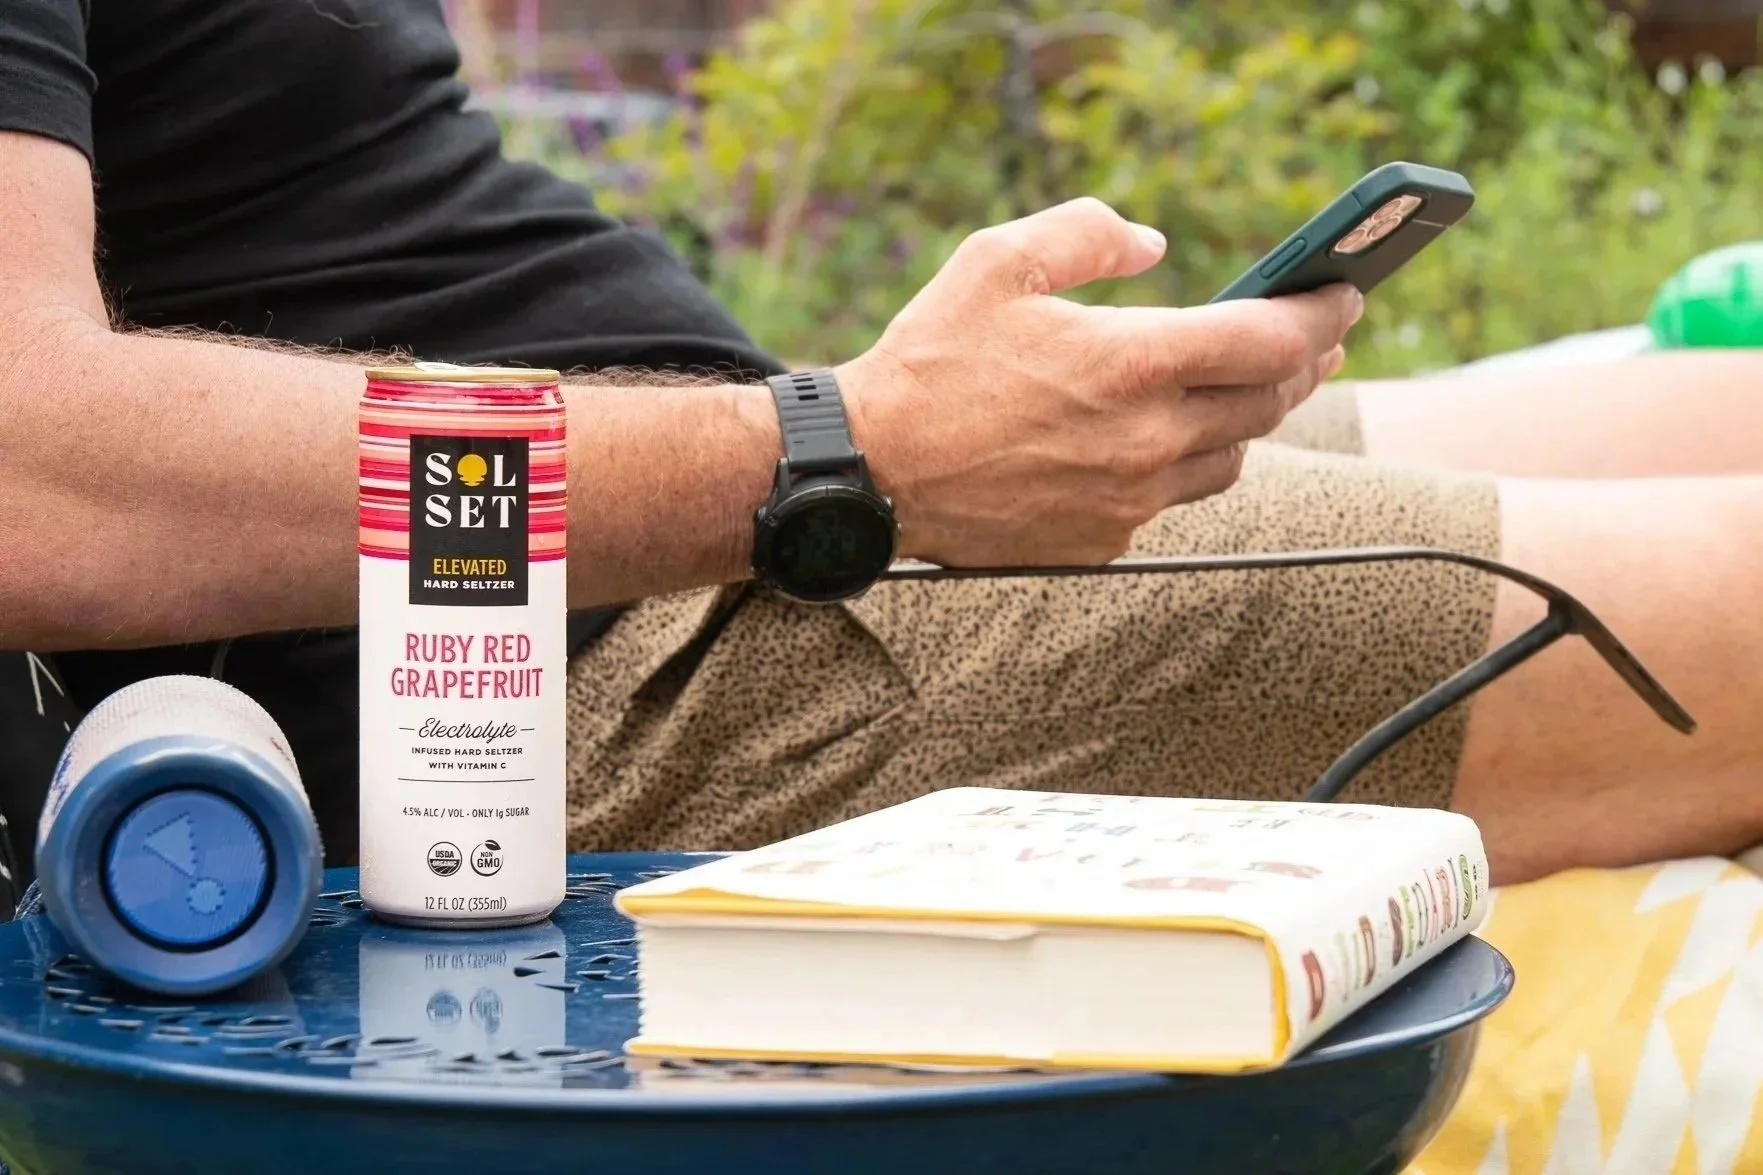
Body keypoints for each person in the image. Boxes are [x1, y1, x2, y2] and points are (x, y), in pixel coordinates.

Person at [0, 0, 1758, 909]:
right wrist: (840, 458)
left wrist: (850, 439)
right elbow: (30, 469)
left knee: (1722, 402)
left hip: (764, 524)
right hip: (546, 703)